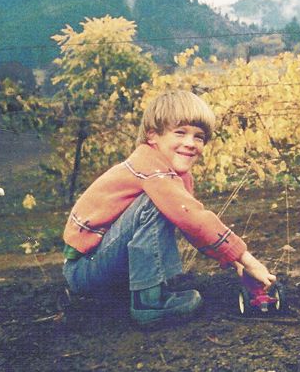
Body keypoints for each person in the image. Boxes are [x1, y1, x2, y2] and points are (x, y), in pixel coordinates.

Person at [61, 90, 276, 325]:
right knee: (153, 204)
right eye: (180, 133)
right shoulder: (151, 170)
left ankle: (140, 291)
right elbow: (193, 219)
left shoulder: (174, 176)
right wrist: (250, 261)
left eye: (199, 136)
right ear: (153, 135)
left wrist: (235, 263)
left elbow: (194, 227)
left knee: (164, 204)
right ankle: (150, 304)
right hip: (84, 271)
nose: (190, 143)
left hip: (106, 267)